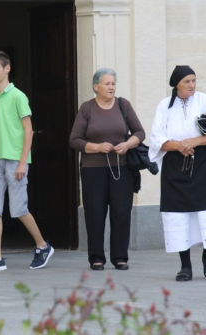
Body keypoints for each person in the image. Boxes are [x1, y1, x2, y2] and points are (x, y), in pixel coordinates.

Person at [148, 65, 206, 282]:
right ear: (176, 84)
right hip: (175, 167)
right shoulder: (164, 107)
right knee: (178, 215)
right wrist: (178, 145)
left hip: (204, 164)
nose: (192, 85)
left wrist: (194, 141)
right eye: (187, 81)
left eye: (194, 80)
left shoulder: (205, 100)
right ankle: (185, 266)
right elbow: (156, 139)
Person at [0, 51, 54, 271]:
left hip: (15, 160)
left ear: (7, 69)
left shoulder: (18, 96)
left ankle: (42, 245)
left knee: (19, 208)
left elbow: (28, 131)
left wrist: (22, 162)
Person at [70, 68, 145, 271]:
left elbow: (140, 132)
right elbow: (74, 140)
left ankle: (120, 257)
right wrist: (97, 147)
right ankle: (96, 257)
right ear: (96, 87)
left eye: (113, 83)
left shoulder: (123, 105)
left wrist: (128, 144)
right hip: (93, 170)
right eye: (107, 84)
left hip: (122, 169)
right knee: (95, 213)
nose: (111, 87)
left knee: (121, 212)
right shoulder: (87, 108)